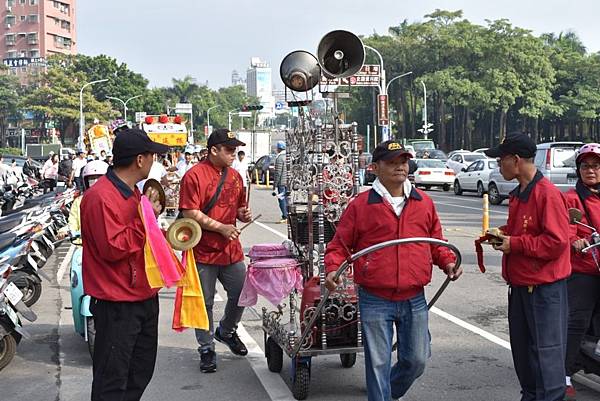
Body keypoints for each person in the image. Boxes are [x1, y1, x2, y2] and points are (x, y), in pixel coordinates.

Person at [324, 140, 461, 401]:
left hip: (414, 297)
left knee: (417, 360)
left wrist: (448, 262)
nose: (400, 167)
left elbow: (437, 242)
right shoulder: (361, 205)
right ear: (375, 167)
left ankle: (387, 393)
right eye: (392, 162)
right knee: (377, 364)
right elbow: (339, 246)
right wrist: (333, 269)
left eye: (403, 161)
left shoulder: (423, 202)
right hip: (375, 298)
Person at [81, 127, 168, 401]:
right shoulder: (100, 197)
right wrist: (145, 221)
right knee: (112, 382)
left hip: (142, 295)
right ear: (140, 160)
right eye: (153, 156)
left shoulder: (133, 193)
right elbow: (113, 248)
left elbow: (143, 239)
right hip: (117, 303)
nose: (155, 161)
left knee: (139, 373)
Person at [484, 132, 571, 401]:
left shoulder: (547, 194)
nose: (499, 165)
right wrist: (503, 235)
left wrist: (516, 244)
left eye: (501, 160)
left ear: (516, 160)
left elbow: (556, 242)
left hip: (545, 291)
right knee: (524, 358)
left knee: (547, 359)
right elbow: (524, 231)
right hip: (521, 287)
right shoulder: (519, 193)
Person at [178, 128, 252, 374]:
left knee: (242, 292)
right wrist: (220, 227)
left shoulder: (235, 177)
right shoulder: (194, 176)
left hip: (230, 249)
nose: (234, 154)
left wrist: (243, 214)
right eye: (229, 150)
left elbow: (240, 208)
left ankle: (226, 331)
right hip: (203, 250)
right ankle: (206, 347)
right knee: (205, 302)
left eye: (235, 150)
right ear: (213, 150)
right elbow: (190, 212)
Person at [563, 143, 600, 400]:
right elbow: (564, 226)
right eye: (585, 166)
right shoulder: (571, 198)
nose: (591, 170)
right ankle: (562, 373)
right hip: (584, 267)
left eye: (596, 166)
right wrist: (574, 239)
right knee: (577, 320)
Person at [272, 141, 287, 223]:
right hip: (288, 182)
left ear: (278, 148)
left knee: (281, 199)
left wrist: (274, 185)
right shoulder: (289, 157)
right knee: (287, 200)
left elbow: (278, 173)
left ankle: (285, 216)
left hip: (281, 183)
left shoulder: (279, 158)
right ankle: (288, 215)